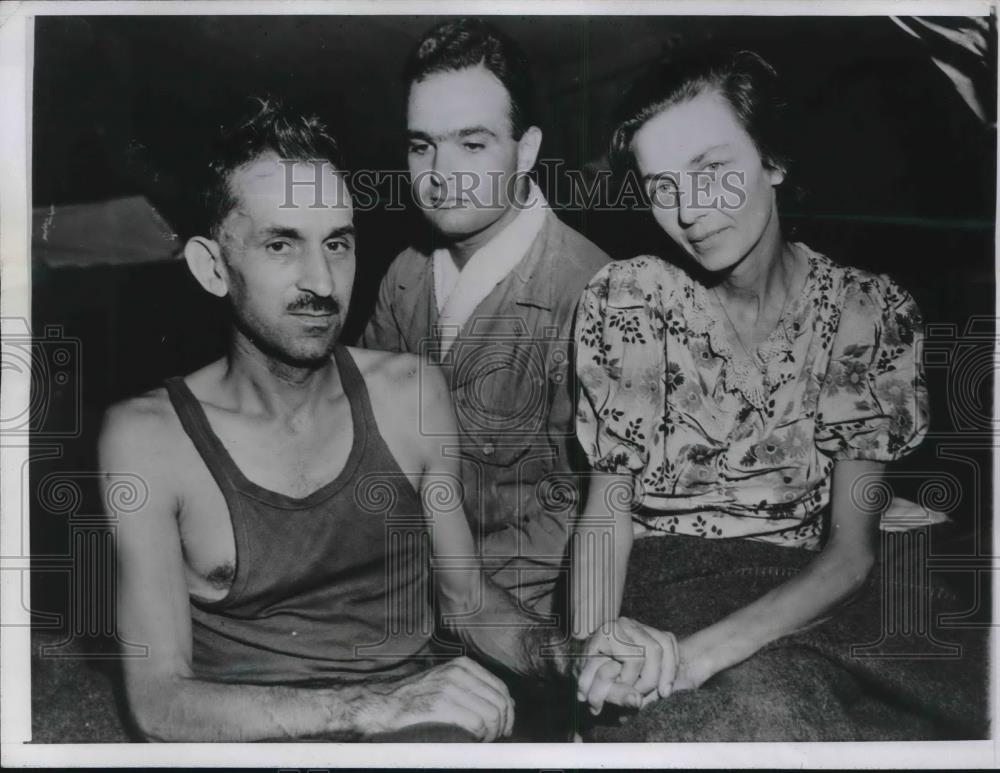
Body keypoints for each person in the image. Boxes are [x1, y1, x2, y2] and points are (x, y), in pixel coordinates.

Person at [99, 98, 650, 743]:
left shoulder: (412, 392)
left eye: (338, 243)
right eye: (281, 243)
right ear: (212, 266)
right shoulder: (148, 438)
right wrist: (372, 707)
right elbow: (160, 700)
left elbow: (466, 599)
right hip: (249, 741)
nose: (322, 282)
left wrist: (570, 655)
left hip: (414, 729)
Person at [567, 49, 982, 741]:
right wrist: (590, 655)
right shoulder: (628, 300)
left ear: (774, 162)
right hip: (669, 587)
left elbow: (850, 556)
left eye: (713, 171)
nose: (691, 211)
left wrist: (698, 658)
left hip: (814, 598)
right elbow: (604, 517)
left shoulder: (864, 311)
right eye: (662, 187)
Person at [361, 18, 610, 620]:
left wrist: (448, 596)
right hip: (393, 581)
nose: (440, 174)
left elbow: (576, 517)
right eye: (422, 145)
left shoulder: (594, 292)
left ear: (526, 151)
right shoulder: (405, 274)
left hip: (519, 610)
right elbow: (363, 440)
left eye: (472, 145)